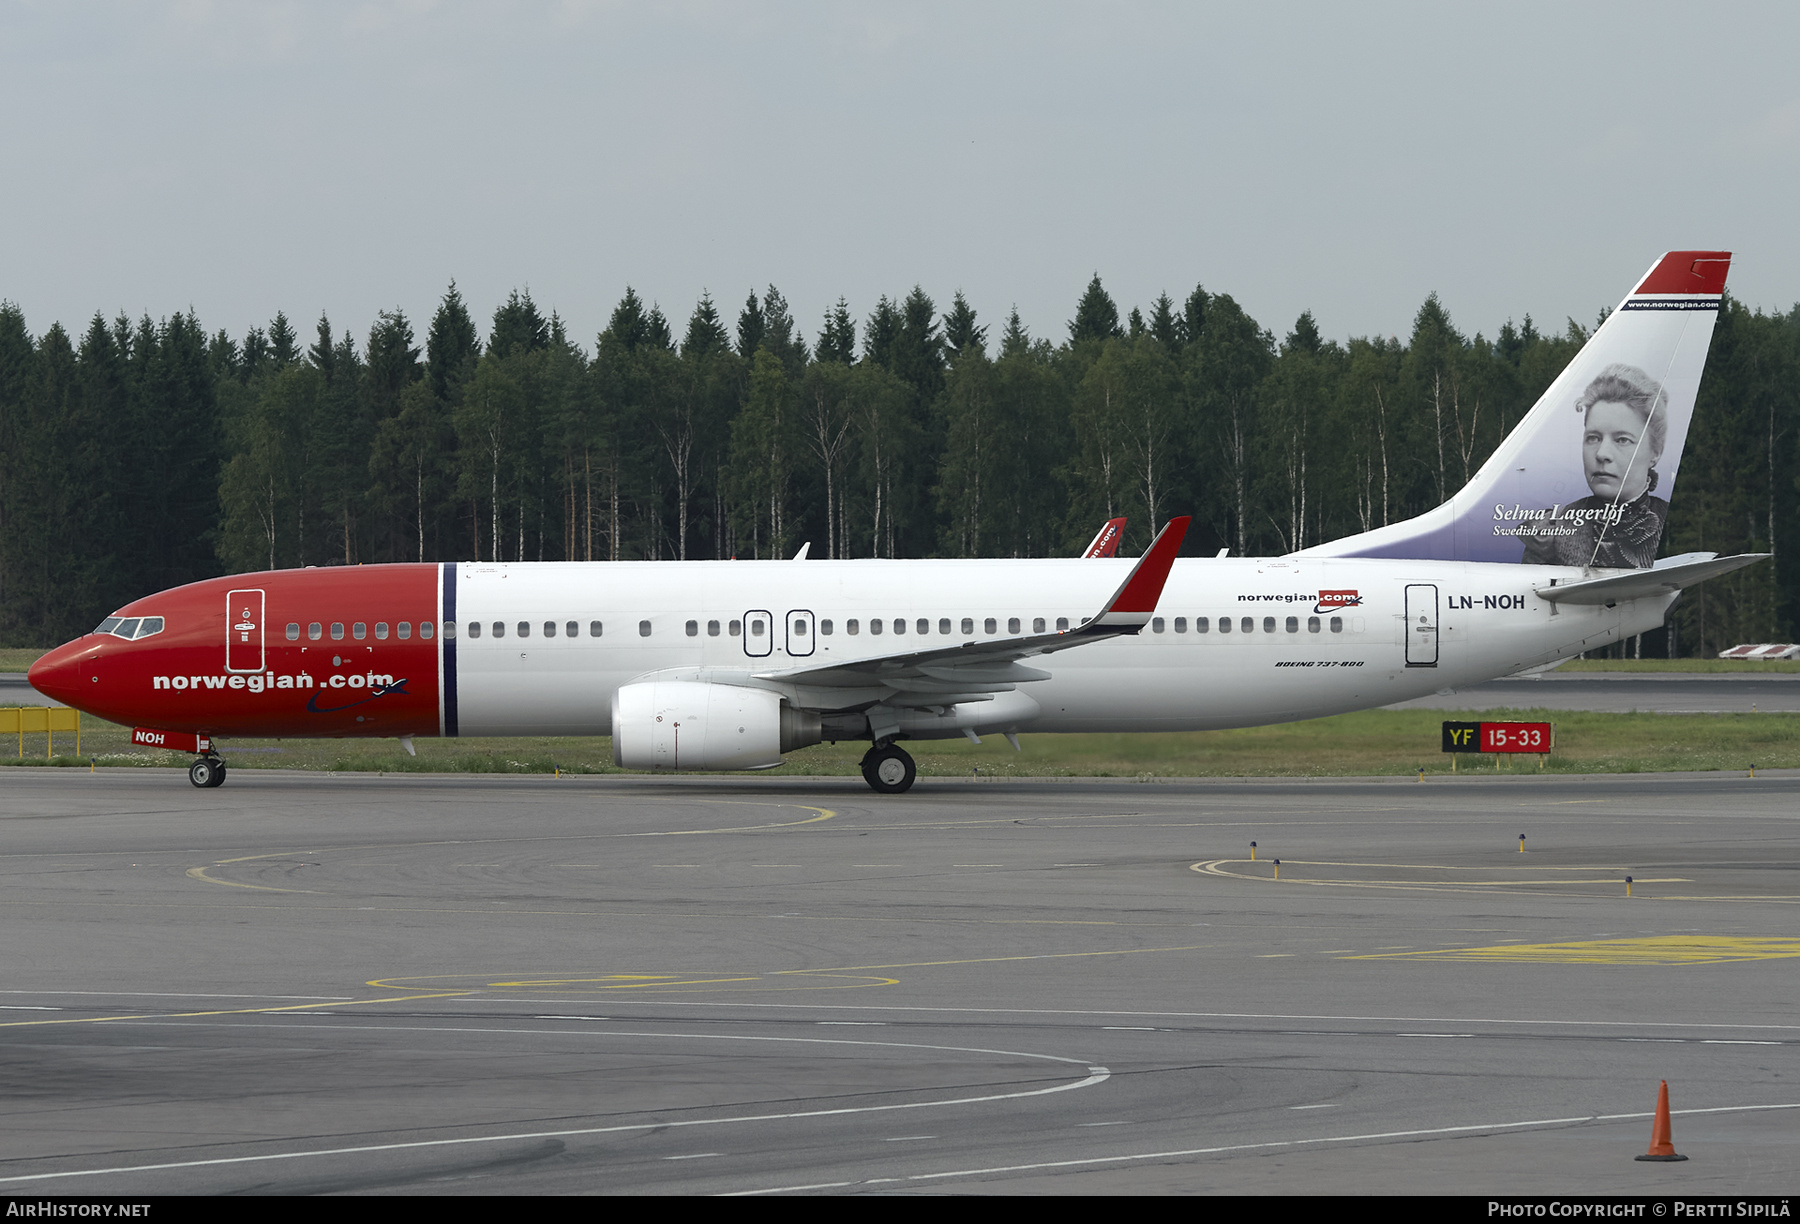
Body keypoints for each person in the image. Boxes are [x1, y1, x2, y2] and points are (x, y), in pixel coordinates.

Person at [1520, 363, 1669, 568]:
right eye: (1593, 438)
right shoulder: (1554, 529)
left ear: (1655, 452)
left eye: (1622, 440)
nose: (1601, 454)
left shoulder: (1669, 523)